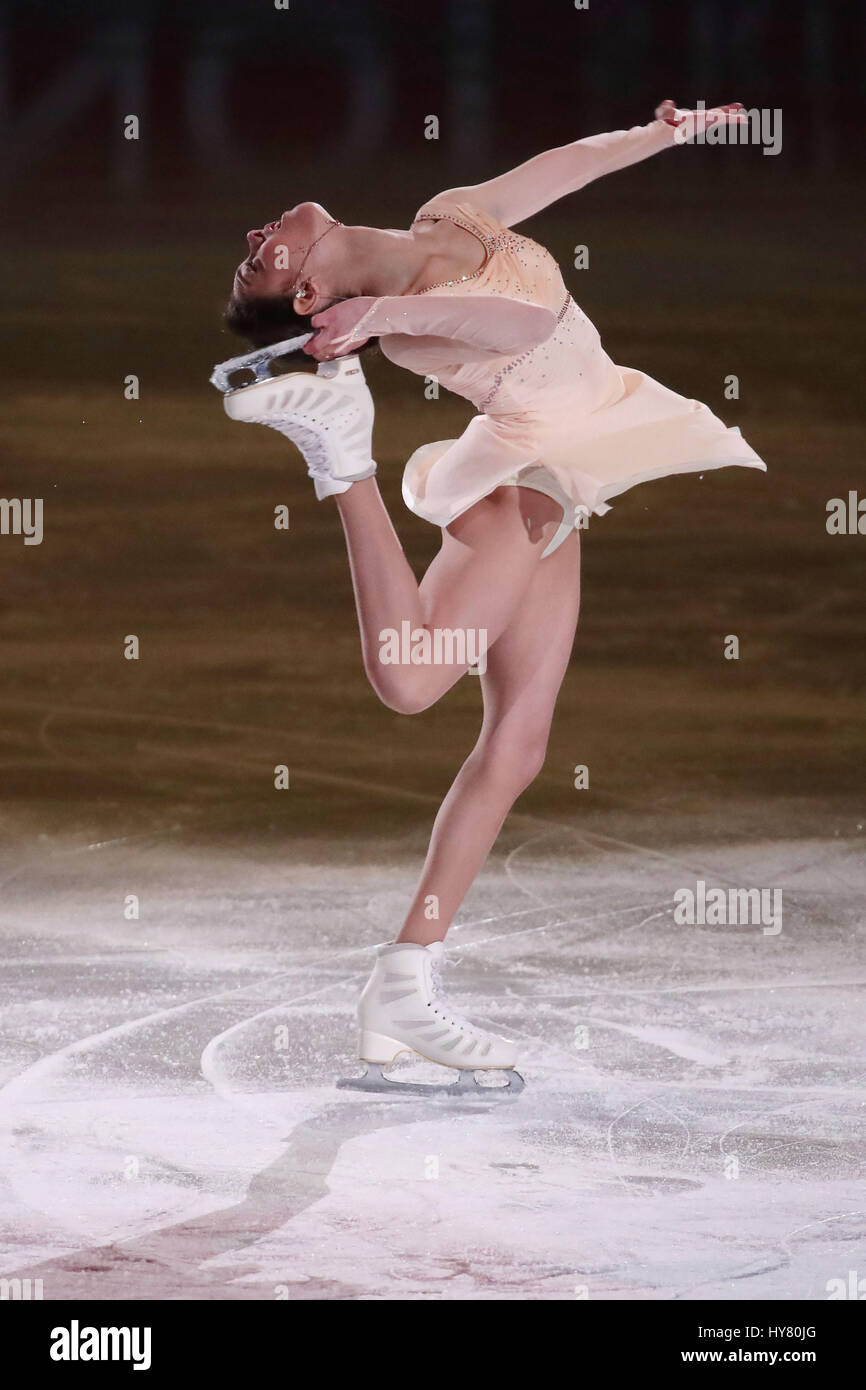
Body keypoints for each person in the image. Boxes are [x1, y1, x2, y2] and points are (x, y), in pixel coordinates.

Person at [215, 100, 766, 1093]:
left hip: (565, 467)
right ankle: (343, 462)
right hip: (516, 479)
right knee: (413, 680)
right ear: (307, 294)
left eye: (251, 245)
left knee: (517, 744)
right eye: (259, 261)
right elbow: (515, 321)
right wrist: (379, 319)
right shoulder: (412, 339)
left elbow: (557, 169)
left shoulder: (449, 215)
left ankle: (402, 978)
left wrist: (662, 135)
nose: (257, 236)